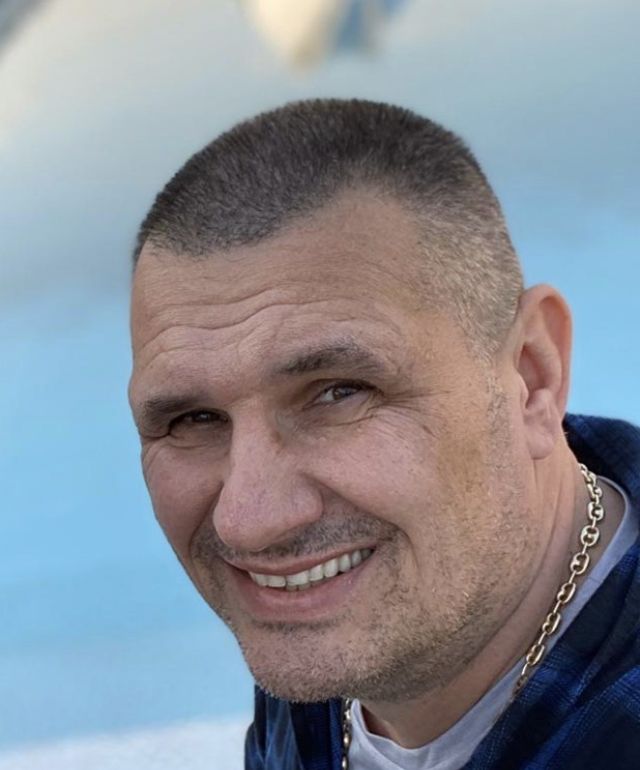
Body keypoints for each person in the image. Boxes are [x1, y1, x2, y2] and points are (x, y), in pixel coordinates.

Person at [127, 99, 640, 770]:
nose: (248, 522)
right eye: (194, 421)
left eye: (339, 393)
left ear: (531, 376)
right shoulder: (341, 641)